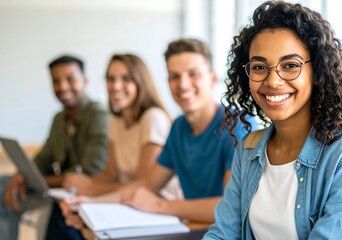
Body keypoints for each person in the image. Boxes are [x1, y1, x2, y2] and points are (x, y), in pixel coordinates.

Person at [203, 1, 342, 239]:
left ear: (318, 72)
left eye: (290, 65)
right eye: (259, 67)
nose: (273, 81)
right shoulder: (248, 150)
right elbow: (223, 233)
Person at [60, 38, 260, 232]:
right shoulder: (179, 127)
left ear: (212, 78)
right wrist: (87, 204)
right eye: (174, 76)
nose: (183, 84)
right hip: (198, 230)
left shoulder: (239, 124)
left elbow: (231, 208)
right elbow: (146, 185)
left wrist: (159, 205)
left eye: (193, 74)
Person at [45, 53, 179, 239]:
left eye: (125, 79)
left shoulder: (152, 118)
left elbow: (144, 186)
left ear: (140, 82)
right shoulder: (116, 121)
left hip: (156, 209)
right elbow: (110, 175)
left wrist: (91, 190)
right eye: (111, 79)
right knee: (68, 212)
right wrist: (82, 186)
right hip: (128, 203)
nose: (116, 86)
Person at [0, 55, 109, 240]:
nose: (63, 87)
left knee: (10, 194)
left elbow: (90, 171)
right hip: (60, 189)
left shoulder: (99, 115)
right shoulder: (60, 119)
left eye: (70, 79)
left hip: (84, 191)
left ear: (85, 80)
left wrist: (37, 181)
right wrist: (22, 175)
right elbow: (43, 159)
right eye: (56, 81)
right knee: (4, 185)